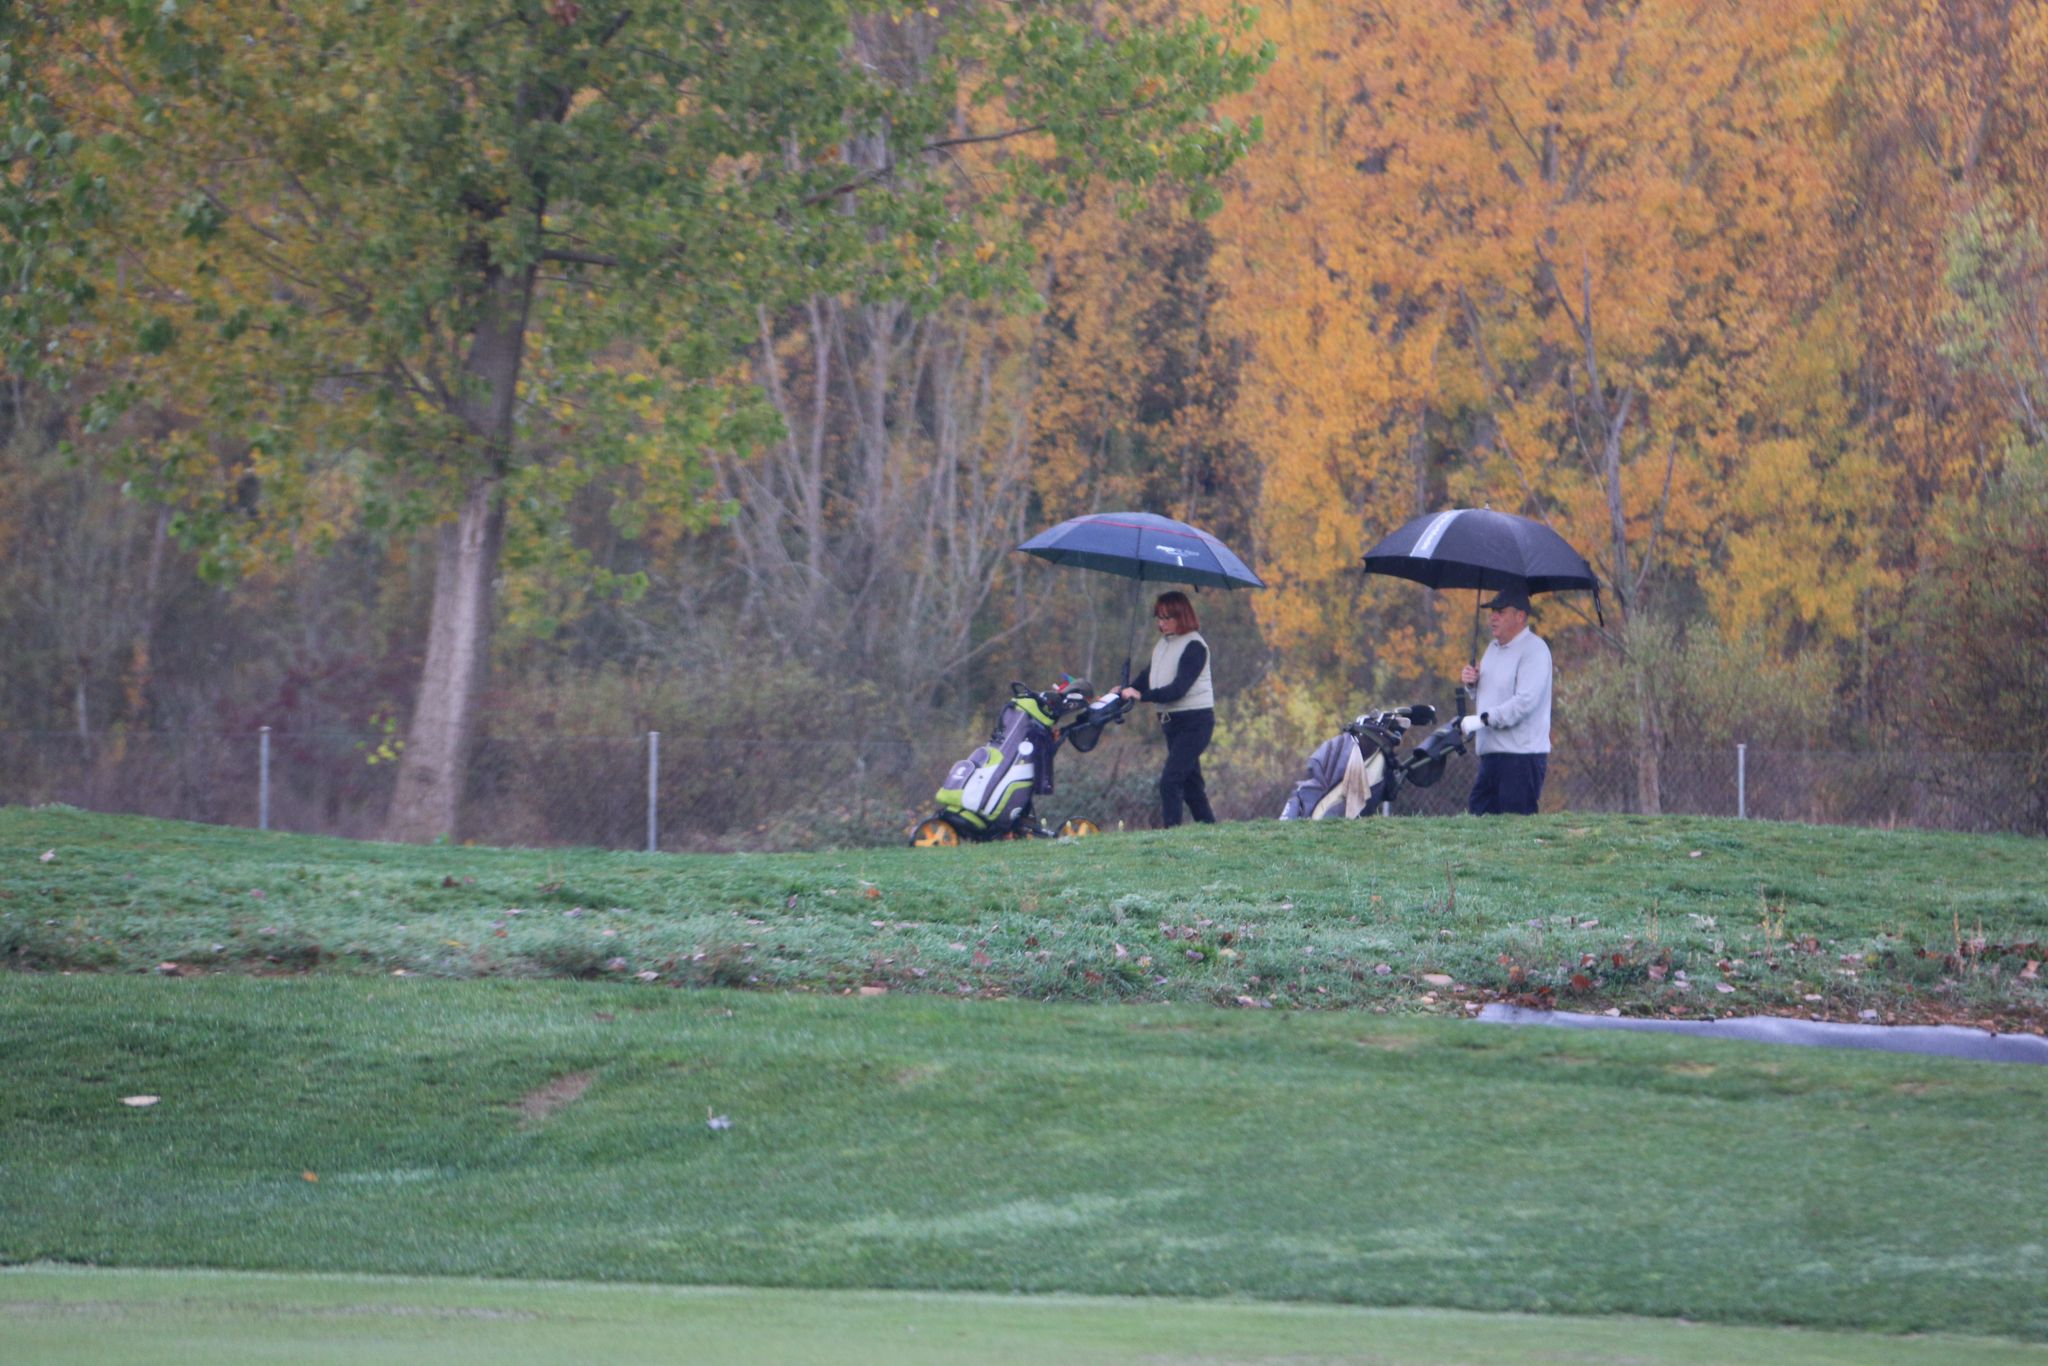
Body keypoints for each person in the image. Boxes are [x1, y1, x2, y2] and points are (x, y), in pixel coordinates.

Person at [1117, 590, 1216, 827]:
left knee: (1170, 781)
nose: (1161, 624)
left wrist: (1142, 696)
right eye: (1158, 618)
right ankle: (1210, 829)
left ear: (1182, 616)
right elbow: (1147, 676)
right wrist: (1124, 689)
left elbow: (1177, 690)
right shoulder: (1164, 644)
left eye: (1166, 618)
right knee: (1192, 785)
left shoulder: (1194, 646)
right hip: (1172, 723)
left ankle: (1171, 835)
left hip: (1195, 723)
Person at [1457, 588, 1553, 815]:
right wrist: (1472, 684)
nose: (1493, 617)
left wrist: (1484, 719)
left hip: (1521, 759)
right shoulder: (1492, 649)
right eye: (1492, 612)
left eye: (1500, 612)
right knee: (1479, 825)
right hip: (1491, 755)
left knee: (1516, 835)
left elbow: (1524, 703)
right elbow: (1488, 697)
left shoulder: (1535, 650)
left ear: (1520, 616)